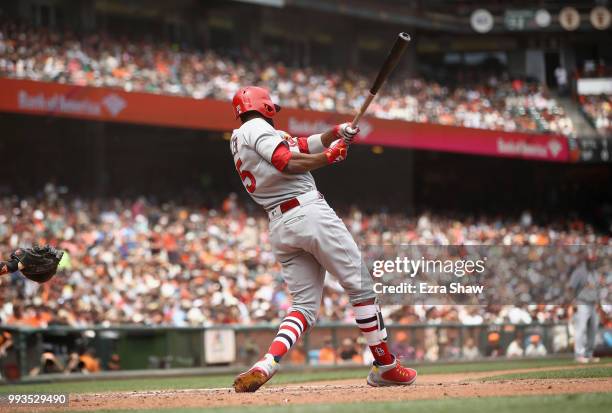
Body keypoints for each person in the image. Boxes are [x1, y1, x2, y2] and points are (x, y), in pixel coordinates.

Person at [230, 86, 416, 392]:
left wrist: (334, 132)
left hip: (280, 224)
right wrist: (328, 157)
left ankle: (268, 362)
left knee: (303, 307)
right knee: (361, 287)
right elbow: (287, 161)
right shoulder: (257, 128)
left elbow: (300, 144)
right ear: (265, 107)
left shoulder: (242, 135)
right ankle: (385, 366)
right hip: (308, 212)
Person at [569, 251, 602, 363]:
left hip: (593, 304)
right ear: (586, 261)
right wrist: (573, 302)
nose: (593, 262)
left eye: (594, 260)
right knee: (581, 329)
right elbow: (571, 288)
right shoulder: (579, 272)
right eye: (590, 260)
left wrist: (599, 304)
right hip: (582, 302)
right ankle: (579, 355)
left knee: (593, 329)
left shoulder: (595, 273)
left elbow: (597, 290)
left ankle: (589, 354)